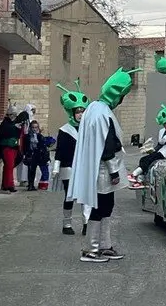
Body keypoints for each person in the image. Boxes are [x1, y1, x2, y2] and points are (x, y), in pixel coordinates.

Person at [68, 67, 140, 263]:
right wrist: (113, 171)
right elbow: (107, 145)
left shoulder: (95, 109)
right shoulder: (102, 113)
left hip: (100, 168)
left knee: (106, 206)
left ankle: (104, 245)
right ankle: (91, 249)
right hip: (103, 170)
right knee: (100, 207)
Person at [53, 80, 89, 235]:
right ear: (72, 112)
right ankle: (66, 224)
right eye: (77, 111)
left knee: (85, 196)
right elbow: (59, 151)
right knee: (69, 196)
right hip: (68, 167)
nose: (80, 114)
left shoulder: (88, 129)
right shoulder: (64, 130)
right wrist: (56, 167)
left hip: (85, 168)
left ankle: (86, 223)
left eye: (82, 111)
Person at [128, 104, 166, 189]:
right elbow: (159, 145)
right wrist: (152, 150)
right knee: (144, 159)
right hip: (161, 151)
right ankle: (140, 179)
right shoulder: (162, 132)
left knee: (148, 160)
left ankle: (135, 174)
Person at [0, 105, 25, 193]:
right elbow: (4, 133)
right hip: (7, 147)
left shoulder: (17, 123)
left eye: (12, 114)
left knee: (9, 166)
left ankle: (5, 184)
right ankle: (10, 185)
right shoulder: (5, 123)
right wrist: (15, 127)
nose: (10, 116)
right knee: (9, 166)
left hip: (15, 147)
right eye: (9, 115)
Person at [21, 120, 52, 191]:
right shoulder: (27, 136)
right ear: (30, 128)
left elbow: (43, 146)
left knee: (37, 170)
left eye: (36, 127)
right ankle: (30, 185)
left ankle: (33, 184)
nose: (34, 129)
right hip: (30, 155)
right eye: (33, 127)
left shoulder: (39, 136)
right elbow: (24, 147)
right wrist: (25, 154)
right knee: (31, 170)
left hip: (38, 155)